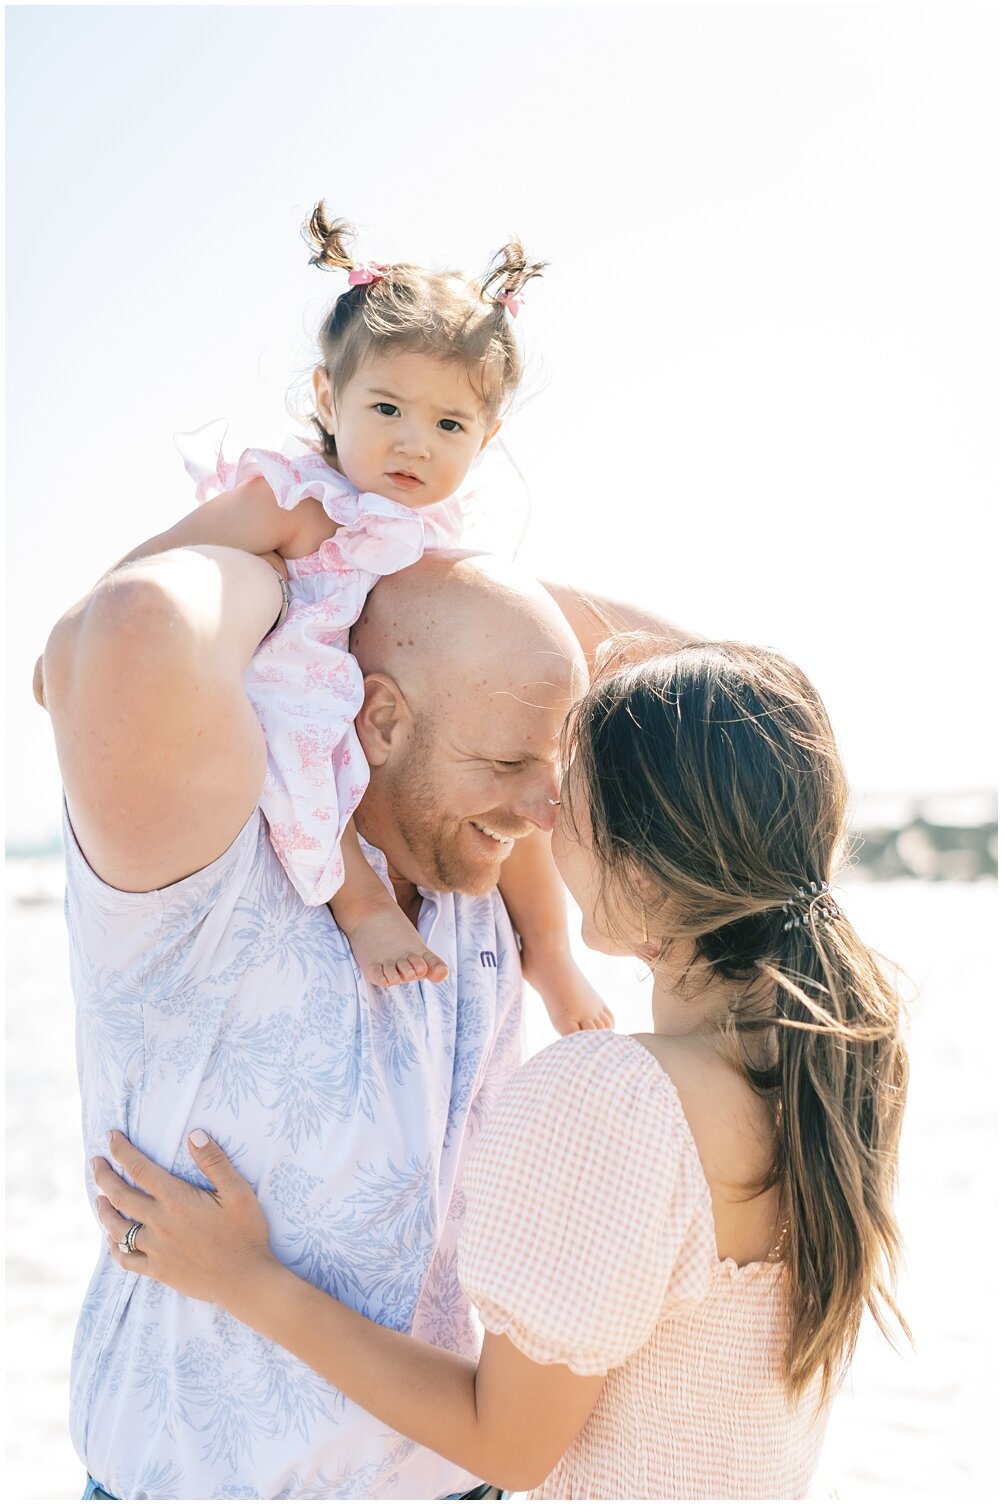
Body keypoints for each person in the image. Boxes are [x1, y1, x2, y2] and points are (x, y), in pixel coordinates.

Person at [94, 638, 910, 1500]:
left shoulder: (618, 1096)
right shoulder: (838, 1057)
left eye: (571, 795)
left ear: (638, 861)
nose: (540, 816)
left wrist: (243, 1278)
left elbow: (507, 1444)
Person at [41, 537, 689, 1499]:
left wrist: (405, 553)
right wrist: (309, 549)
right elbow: (135, 626)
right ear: (379, 717)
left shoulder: (477, 864)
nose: (544, 808)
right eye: (507, 760)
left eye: (544, 762)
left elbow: (731, 696)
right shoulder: (205, 860)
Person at [121, 203, 610, 1035]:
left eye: (448, 424)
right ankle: (363, 908)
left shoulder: (443, 535)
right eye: (386, 410)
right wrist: (82, 643)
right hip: (301, 691)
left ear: (485, 437)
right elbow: (158, 563)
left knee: (519, 762)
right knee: (307, 732)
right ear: (328, 394)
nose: (414, 443)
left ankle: (550, 951)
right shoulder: (297, 500)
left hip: (398, 704)